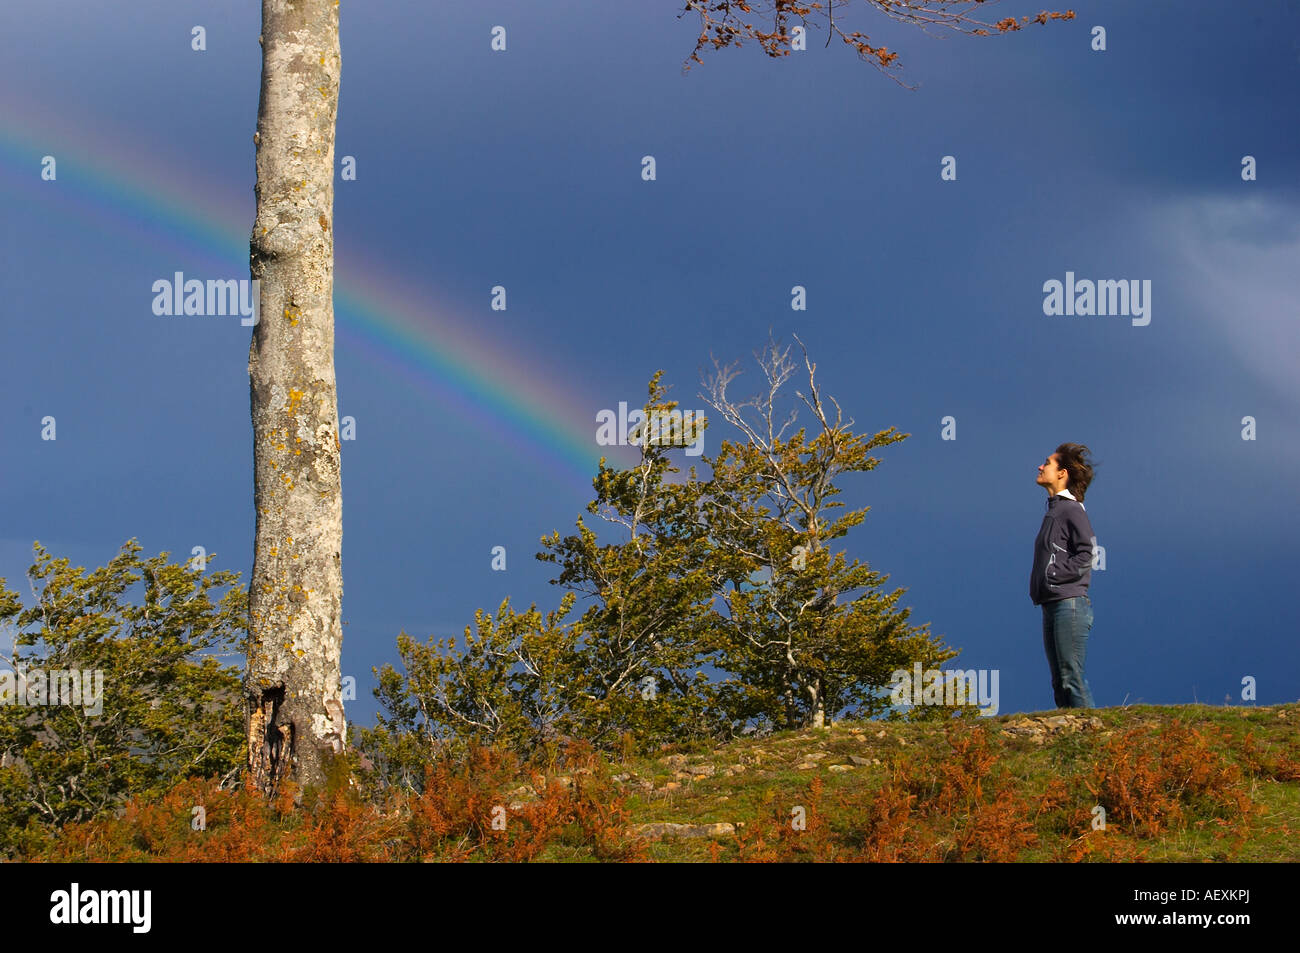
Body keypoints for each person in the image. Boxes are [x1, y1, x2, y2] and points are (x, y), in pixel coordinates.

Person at [1030, 443, 1098, 708]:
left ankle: (1092, 736)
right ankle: (1069, 736)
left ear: (1062, 473)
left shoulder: (1071, 509)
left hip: (1069, 604)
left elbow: (1087, 552)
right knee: (1059, 680)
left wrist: (1055, 574)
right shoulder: (1054, 511)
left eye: (1047, 463)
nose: (1040, 466)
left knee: (1071, 676)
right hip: (1052, 604)